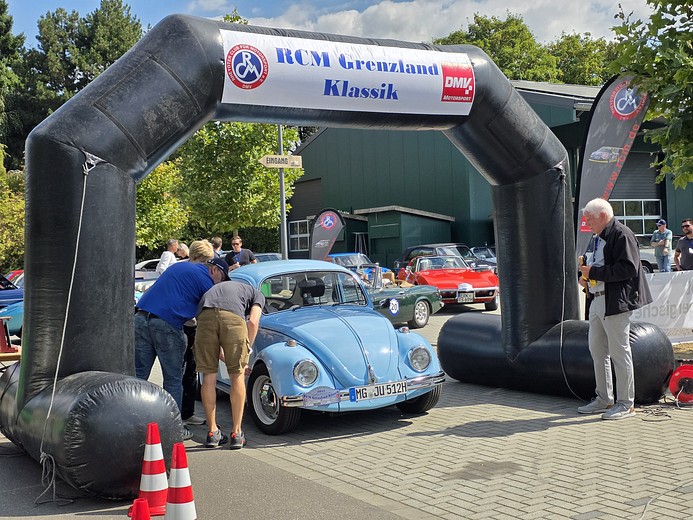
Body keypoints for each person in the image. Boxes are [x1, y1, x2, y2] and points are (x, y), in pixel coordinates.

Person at [135, 257, 230, 440]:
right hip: (167, 324)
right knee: (173, 378)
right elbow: (208, 319)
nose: (220, 284)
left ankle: (133, 422)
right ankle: (174, 428)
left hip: (140, 317)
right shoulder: (207, 283)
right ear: (214, 271)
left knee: (139, 376)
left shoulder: (181, 267)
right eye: (223, 279)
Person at [577, 198, 652, 420]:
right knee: (597, 351)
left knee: (619, 352)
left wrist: (593, 273)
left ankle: (626, 403)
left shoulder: (621, 234)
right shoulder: (599, 238)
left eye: (589, 219)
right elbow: (600, 266)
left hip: (615, 302)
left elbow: (628, 268)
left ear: (602, 216)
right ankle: (604, 398)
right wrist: (586, 278)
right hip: (597, 299)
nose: (587, 224)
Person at [195, 279, 265, 449]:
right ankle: (237, 433)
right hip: (233, 318)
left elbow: (212, 325)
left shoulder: (217, 289)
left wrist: (227, 357)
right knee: (237, 376)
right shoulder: (258, 294)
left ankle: (212, 432)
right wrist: (247, 350)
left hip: (204, 317)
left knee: (209, 376)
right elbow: (253, 322)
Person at [180, 240, 215, 428]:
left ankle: (187, 413)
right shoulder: (196, 272)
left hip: (189, 325)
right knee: (183, 371)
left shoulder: (182, 268)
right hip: (187, 326)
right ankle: (181, 415)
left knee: (189, 371)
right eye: (206, 260)